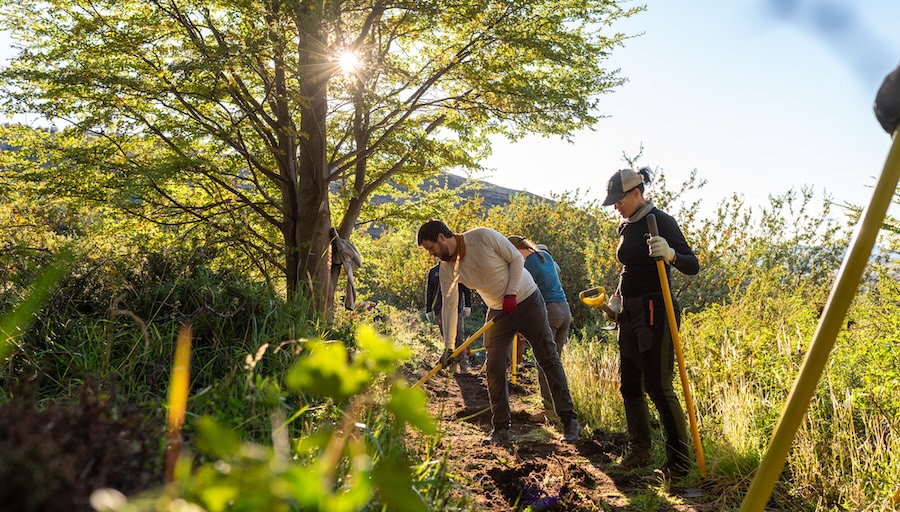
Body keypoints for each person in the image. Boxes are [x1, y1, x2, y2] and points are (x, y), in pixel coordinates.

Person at [417, 220, 581, 445]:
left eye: (431, 248)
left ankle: (569, 420)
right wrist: (449, 346)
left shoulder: (482, 237)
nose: (432, 254)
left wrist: (511, 293)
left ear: (441, 238)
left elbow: (515, 259)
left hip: (526, 299)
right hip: (497, 312)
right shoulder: (447, 270)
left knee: (547, 358)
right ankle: (501, 428)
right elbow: (449, 305)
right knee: (493, 367)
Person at [601, 167, 700, 478]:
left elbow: (692, 264)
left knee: (658, 385)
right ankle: (640, 450)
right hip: (629, 312)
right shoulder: (626, 226)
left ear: (636, 193)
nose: (615, 205)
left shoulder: (662, 221)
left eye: (619, 199)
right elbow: (628, 268)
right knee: (629, 383)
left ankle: (679, 463)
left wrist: (670, 254)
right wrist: (617, 298)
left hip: (656, 308)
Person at [507, 236, 572, 421]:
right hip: (564, 310)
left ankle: (550, 412)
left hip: (550, 311)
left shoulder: (527, 265)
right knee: (554, 363)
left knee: (544, 364)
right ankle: (563, 410)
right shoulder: (545, 256)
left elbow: (522, 294)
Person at [425, 262, 473, 372]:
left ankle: (464, 365)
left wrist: (468, 305)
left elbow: (466, 288)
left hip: (456, 309)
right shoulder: (433, 272)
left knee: (459, 337)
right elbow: (430, 291)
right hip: (439, 309)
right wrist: (428, 309)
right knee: (447, 339)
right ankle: (452, 364)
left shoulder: (456, 269)